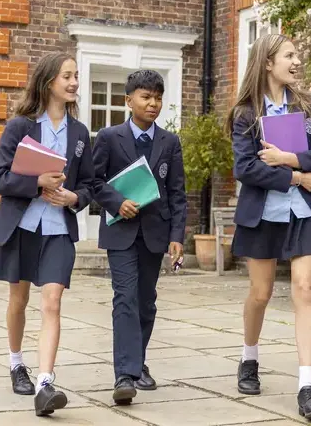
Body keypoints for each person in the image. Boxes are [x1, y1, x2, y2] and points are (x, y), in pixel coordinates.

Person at [226, 33, 311, 421]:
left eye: (296, 55)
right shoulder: (245, 113)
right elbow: (246, 168)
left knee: (306, 289)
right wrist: (296, 177)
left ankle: (308, 386)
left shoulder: (310, 107)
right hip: (263, 213)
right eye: (289, 55)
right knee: (261, 292)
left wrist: (289, 158)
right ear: (268, 62)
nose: (296, 61)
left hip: (305, 212)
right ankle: (249, 357)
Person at [0, 52, 94, 417]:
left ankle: (45, 382)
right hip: (22, 227)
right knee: (18, 301)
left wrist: (75, 196)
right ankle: (17, 363)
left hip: (58, 229)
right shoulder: (20, 127)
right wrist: (37, 183)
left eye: (76, 76)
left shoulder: (80, 133)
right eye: (67, 76)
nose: (74, 82)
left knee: (52, 302)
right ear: (49, 80)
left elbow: (90, 184)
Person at [93, 69, 187, 405]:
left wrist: (178, 235)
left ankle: (138, 361)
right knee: (125, 298)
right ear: (128, 100)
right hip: (120, 231)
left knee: (146, 302)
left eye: (158, 98)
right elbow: (94, 182)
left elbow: (177, 193)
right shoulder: (108, 137)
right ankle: (125, 375)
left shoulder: (170, 142)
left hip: (155, 234)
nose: (153, 104)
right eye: (146, 97)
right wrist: (118, 202)